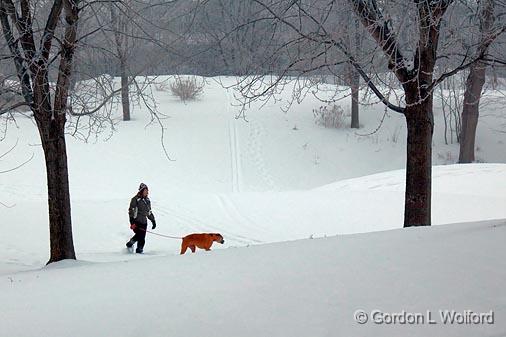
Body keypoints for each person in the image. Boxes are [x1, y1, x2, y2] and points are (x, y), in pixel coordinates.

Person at [126, 183, 156, 253]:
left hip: (144, 223)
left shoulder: (147, 200)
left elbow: (148, 212)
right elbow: (131, 211)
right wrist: (132, 222)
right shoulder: (135, 199)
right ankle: (130, 244)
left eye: (147, 190)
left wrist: (153, 220)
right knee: (139, 236)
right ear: (141, 191)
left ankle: (139, 250)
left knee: (142, 238)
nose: (147, 192)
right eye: (145, 190)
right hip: (137, 221)